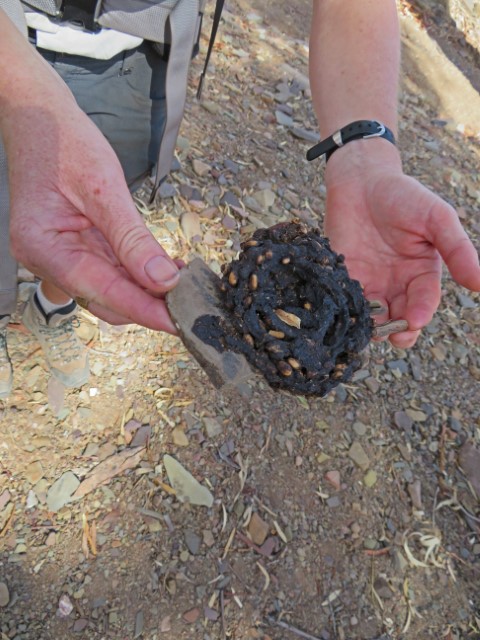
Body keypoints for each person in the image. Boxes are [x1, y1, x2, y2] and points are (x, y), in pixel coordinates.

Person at [0, 1, 479, 399]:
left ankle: (51, 306)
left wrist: (366, 158)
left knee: (86, 219)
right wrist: (19, 91)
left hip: (144, 57)